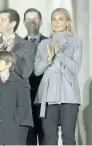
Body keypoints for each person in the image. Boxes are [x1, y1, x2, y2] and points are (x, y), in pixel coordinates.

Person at [34, 8, 82, 145]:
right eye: (54, 19)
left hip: (69, 96)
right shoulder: (43, 44)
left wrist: (59, 54)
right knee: (49, 139)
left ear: (68, 22)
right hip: (48, 96)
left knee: (68, 137)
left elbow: (75, 68)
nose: (57, 22)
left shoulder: (76, 42)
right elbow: (37, 71)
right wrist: (48, 59)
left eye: (61, 19)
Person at [0, 51, 33, 145]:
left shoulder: (19, 83)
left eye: (0, 61)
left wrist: (16, 121)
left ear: (9, 64)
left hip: (14, 129)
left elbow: (24, 105)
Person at [0, 8, 36, 80]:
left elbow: (26, 73)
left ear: (13, 24)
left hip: (17, 90)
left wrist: (10, 54)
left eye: (2, 20)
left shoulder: (28, 46)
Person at [23, 8, 48, 145]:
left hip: (46, 100)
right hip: (25, 101)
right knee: (28, 140)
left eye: (35, 18)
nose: (32, 21)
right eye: (28, 18)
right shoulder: (17, 44)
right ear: (23, 23)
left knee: (47, 139)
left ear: (41, 21)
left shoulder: (50, 42)